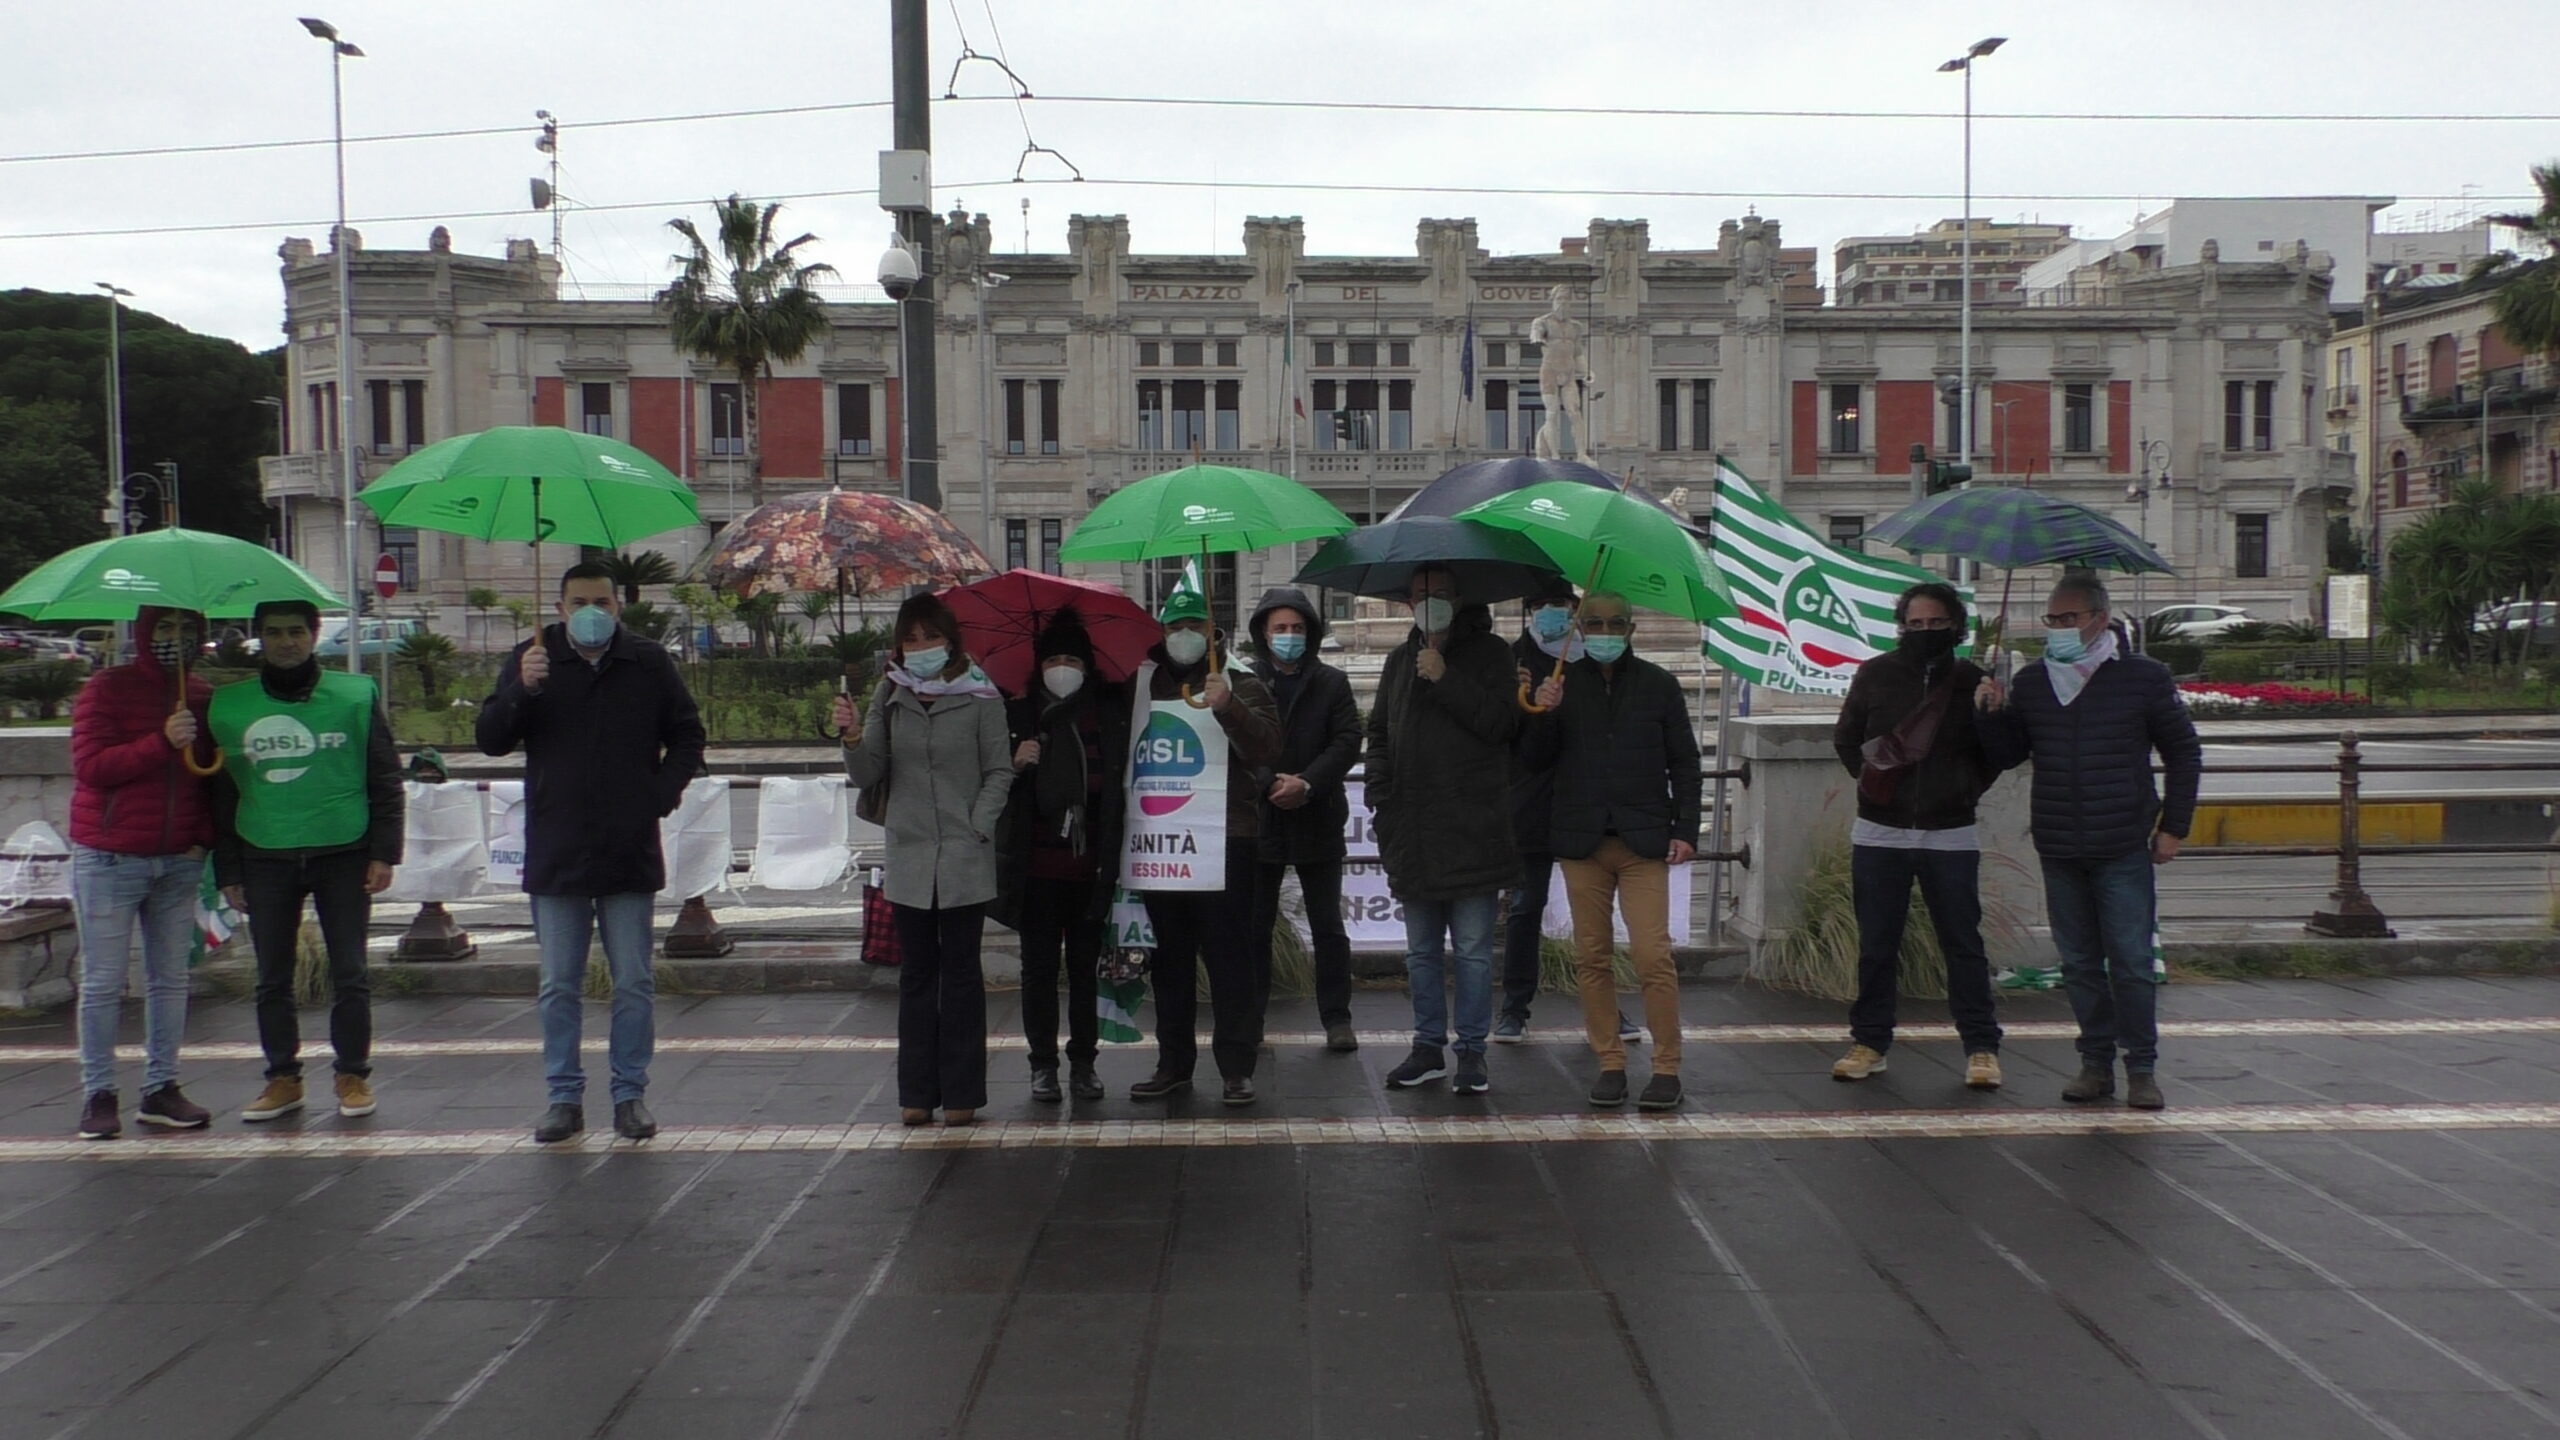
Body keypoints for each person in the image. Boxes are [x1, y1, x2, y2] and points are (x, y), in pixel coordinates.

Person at [478, 562, 706, 1143]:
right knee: (559, 983)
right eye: (579, 602)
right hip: (557, 848)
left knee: (633, 981)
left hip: (628, 848)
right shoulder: (532, 658)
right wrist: (522, 690)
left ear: (618, 606)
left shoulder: (647, 662)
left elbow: (687, 735)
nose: (591, 612)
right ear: (559, 608)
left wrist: (659, 795)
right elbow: (490, 739)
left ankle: (630, 1094)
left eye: (602, 602)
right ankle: (563, 1097)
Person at [1977, 575, 2203, 1111]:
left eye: (2069, 619)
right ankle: (2095, 1063)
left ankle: (2141, 1067)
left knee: (2130, 962)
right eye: (2052, 620)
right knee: (2078, 963)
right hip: (2059, 843)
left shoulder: (2142, 677)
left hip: (2121, 841)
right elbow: (2009, 754)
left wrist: (2173, 827)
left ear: (2100, 619)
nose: (2058, 629)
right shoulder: (2035, 682)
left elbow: (2183, 752)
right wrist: (1990, 713)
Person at [208, 600, 404, 1123]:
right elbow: (221, 797)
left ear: (314, 635)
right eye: (274, 633)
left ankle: (352, 1074)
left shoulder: (355, 695)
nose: (286, 642)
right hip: (264, 852)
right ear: (260, 638)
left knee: (350, 972)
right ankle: (283, 1078)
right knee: (271, 977)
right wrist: (228, 871)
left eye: (296, 631)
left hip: (344, 850)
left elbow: (384, 777)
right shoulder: (228, 706)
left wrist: (384, 852)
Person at [840, 593, 1014, 1126]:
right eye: (910, 639)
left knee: (961, 975)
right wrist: (851, 735)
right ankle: (916, 1093)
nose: (920, 648)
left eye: (930, 637)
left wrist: (978, 824)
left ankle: (962, 1093)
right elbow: (868, 772)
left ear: (950, 640)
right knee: (915, 976)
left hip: (964, 855)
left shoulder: (981, 694)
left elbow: (999, 771)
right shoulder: (891, 692)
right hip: (910, 854)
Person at [1524, 591, 1701, 1110]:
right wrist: (1543, 712)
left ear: (1631, 630)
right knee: (1592, 957)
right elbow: (1534, 760)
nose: (1605, 633)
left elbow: (1684, 762)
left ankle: (1666, 1067)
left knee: (1653, 956)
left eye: (1615, 624)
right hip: (1582, 843)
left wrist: (1686, 829)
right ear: (1580, 630)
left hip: (1642, 841)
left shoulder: (1659, 685)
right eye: (1595, 624)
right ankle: (1610, 1062)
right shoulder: (1561, 684)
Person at [1827, 583, 2004, 1090]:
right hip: (1879, 832)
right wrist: (1874, 784)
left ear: (1956, 625)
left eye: (1937, 623)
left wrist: (1990, 718)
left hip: (1951, 833)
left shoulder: (1973, 680)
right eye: (1916, 623)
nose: (1926, 631)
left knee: (1963, 943)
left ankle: (1981, 1047)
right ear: (1902, 626)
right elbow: (1847, 737)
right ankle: (1869, 1042)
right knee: (1877, 943)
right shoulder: (1875, 674)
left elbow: (1997, 755)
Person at [1126, 577, 1281, 1105]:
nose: (1184, 635)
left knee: (1230, 959)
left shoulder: (1241, 680)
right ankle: (1173, 1063)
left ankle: (1237, 1067)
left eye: (1194, 625)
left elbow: (1268, 748)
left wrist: (1229, 706)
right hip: (1162, 845)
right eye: (1175, 626)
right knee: (1169, 961)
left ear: (1213, 630)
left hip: (1225, 842)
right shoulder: (1143, 684)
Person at [1366, 565, 1519, 1095]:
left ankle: (1471, 1051)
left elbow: (1502, 724)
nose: (1429, 602)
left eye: (1439, 593)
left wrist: (1446, 677)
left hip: (1474, 829)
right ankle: (1427, 1046)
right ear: (1408, 603)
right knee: (1421, 953)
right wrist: (1381, 798)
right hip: (1412, 830)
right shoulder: (1398, 660)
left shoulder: (1493, 655)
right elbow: (1379, 732)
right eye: (1419, 594)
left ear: (1458, 599)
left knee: (1473, 952)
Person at [67, 606, 218, 1140]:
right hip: (110, 858)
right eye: (166, 628)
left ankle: (161, 1088)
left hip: (177, 861)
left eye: (187, 629)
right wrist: (161, 741)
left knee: (170, 980)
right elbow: (91, 767)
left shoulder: (200, 695)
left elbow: (208, 780)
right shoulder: (107, 688)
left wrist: (201, 840)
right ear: (145, 633)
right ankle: (99, 1093)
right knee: (104, 981)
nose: (176, 639)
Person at [990, 612, 1128, 1104]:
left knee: (1087, 970)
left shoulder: (1107, 713)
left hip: (1090, 868)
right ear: (1039, 665)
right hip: (1035, 870)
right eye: (1052, 659)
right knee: (1039, 972)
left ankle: (1084, 1063)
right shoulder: (1019, 715)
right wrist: (1014, 764)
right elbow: (990, 787)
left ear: (1087, 666)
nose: (1062, 667)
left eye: (1072, 658)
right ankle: (1042, 1065)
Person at [1499, 581, 1639, 1047]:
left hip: (1588, 804)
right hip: (1532, 803)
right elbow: (1516, 743)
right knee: (1525, 907)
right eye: (1537, 605)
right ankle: (1514, 1008)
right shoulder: (1514, 662)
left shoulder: (1601, 660)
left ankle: (1607, 1009)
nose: (1547, 613)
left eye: (1556, 604)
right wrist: (1534, 706)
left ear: (1574, 608)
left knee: (1594, 914)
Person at [1243, 587, 1363, 1053]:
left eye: (1296, 628)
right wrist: (1269, 782)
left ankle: (1337, 1018)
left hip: (1319, 816)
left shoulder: (1331, 682)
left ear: (1310, 632)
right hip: (1260, 817)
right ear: (1264, 632)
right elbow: (1236, 740)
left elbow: (1347, 740)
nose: (1288, 636)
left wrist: (1308, 783)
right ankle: (1250, 1018)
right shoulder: (1245, 680)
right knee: (1254, 926)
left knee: (1328, 925)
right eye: (1280, 628)